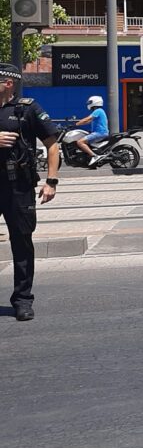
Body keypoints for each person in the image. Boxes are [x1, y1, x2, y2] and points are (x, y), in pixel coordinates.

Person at [0, 64, 59, 321]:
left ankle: (22, 300)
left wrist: (51, 182)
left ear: (8, 82)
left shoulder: (26, 109)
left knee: (22, 243)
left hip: (18, 186)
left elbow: (52, 143)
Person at [75, 95, 109, 166]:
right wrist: (79, 123)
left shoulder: (98, 111)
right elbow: (88, 121)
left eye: (90, 102)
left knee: (80, 142)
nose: (88, 104)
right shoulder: (99, 111)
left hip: (100, 133)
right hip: (99, 132)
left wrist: (77, 124)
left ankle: (94, 156)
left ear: (95, 102)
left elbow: (88, 119)